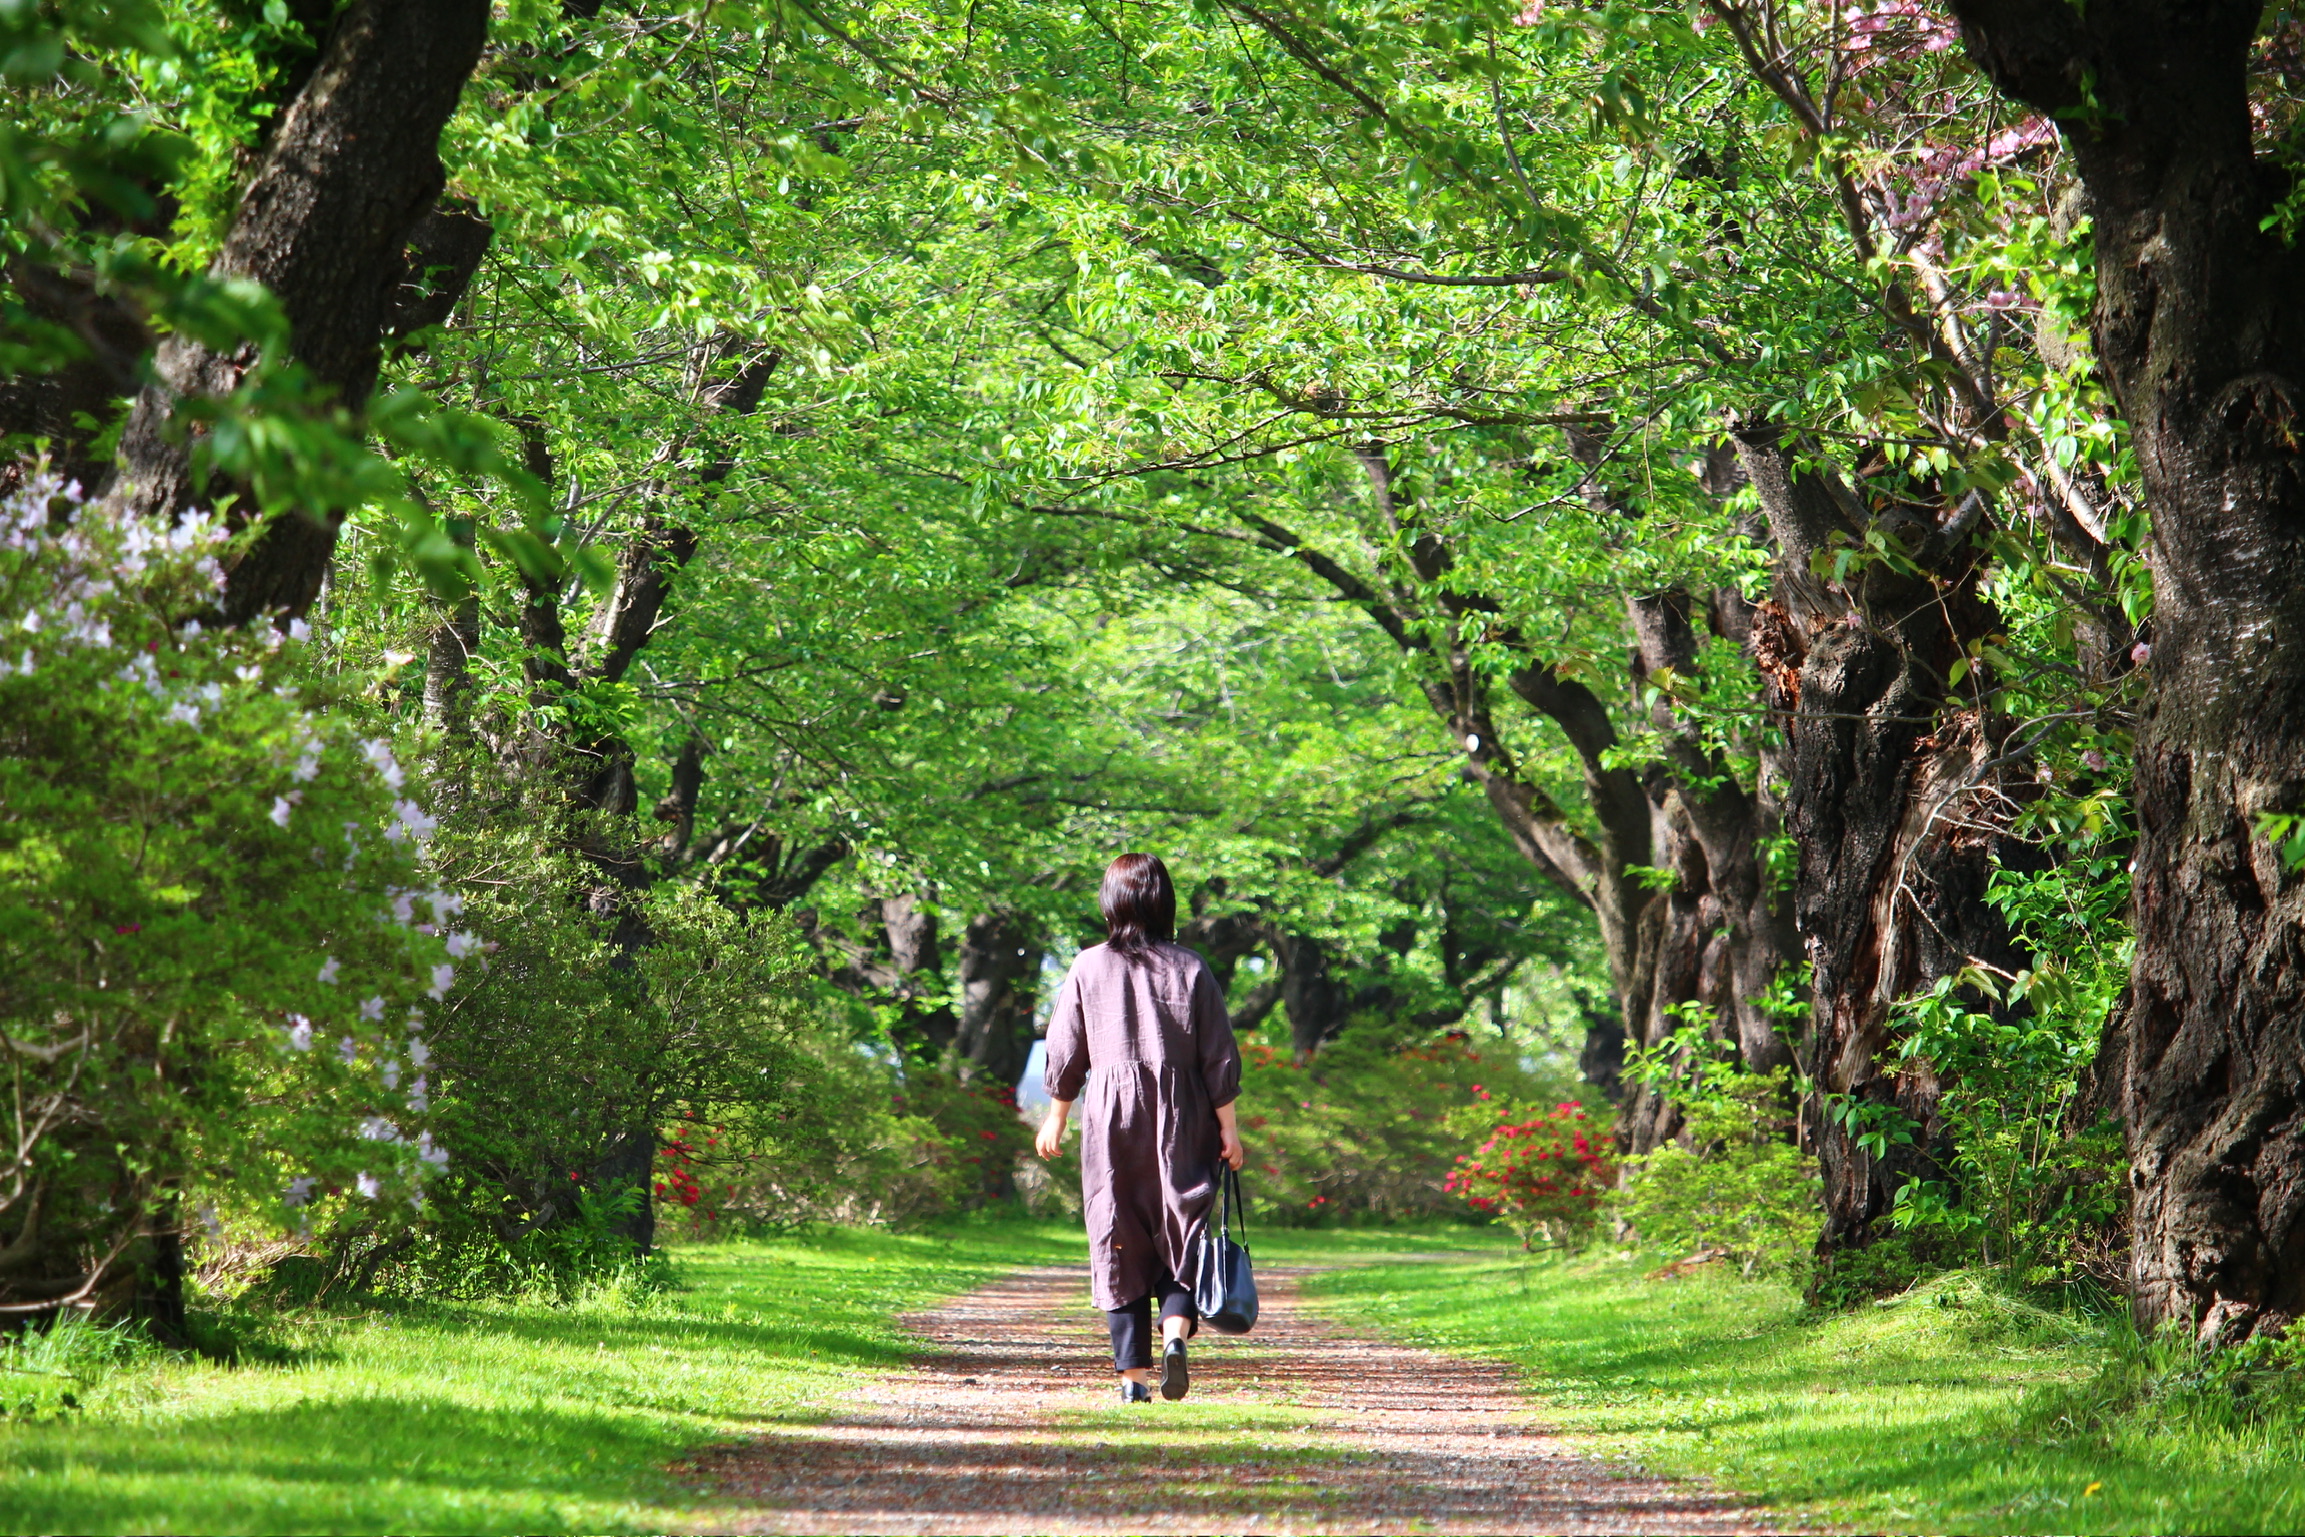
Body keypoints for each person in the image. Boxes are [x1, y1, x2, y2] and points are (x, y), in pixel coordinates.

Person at [1034, 852, 1245, 1405]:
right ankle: (1175, 1334)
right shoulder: (1191, 966)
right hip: (1184, 1113)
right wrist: (1229, 1129)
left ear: (1111, 903)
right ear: (1164, 902)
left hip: (1111, 1117)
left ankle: (1134, 1381)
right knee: (1184, 1225)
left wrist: (1056, 1115)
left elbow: (1066, 1046)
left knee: (1117, 1231)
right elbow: (1217, 1053)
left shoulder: (1087, 966)